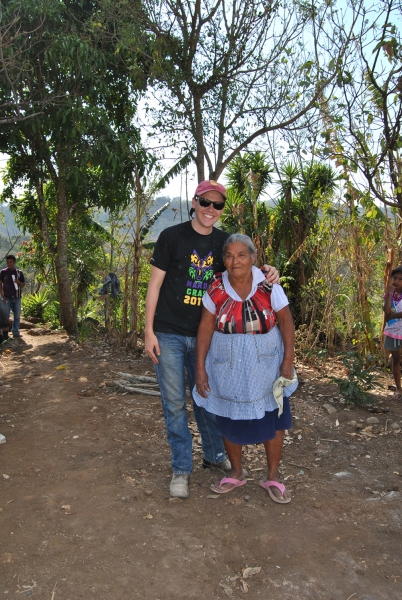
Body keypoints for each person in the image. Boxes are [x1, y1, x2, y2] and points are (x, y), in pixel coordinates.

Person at [145, 180, 279, 498]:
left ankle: (215, 455)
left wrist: (268, 270)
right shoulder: (171, 237)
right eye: (205, 202)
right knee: (175, 404)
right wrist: (148, 331)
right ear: (194, 202)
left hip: (208, 338)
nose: (210, 209)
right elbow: (154, 286)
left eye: (217, 205)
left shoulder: (223, 243)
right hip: (169, 333)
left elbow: (242, 268)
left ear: (222, 210)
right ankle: (181, 469)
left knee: (207, 399)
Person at [193, 233, 298, 504]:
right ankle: (236, 472)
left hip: (266, 361)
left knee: (274, 415)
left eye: (241, 255)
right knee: (228, 414)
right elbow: (205, 327)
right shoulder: (215, 286)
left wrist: (288, 359)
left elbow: (286, 321)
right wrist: (200, 368)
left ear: (253, 257)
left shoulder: (268, 283)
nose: (234, 260)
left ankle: (273, 476)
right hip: (226, 363)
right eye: (229, 255)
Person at [383, 265, 402, 399]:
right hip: (393, 332)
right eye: (395, 278)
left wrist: (393, 316)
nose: (397, 281)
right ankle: (399, 389)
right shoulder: (390, 295)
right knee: (396, 359)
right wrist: (389, 293)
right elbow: (387, 311)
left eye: (400, 279)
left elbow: (391, 315)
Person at [0, 255, 25, 340]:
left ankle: (15, 332)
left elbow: (23, 284)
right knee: (6, 316)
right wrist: (2, 295)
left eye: (10, 262)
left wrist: (18, 282)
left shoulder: (19, 272)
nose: (9, 264)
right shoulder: (3, 272)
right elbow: (0, 283)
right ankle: (5, 334)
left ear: (14, 262)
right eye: (7, 262)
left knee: (17, 315)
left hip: (17, 297)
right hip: (6, 297)